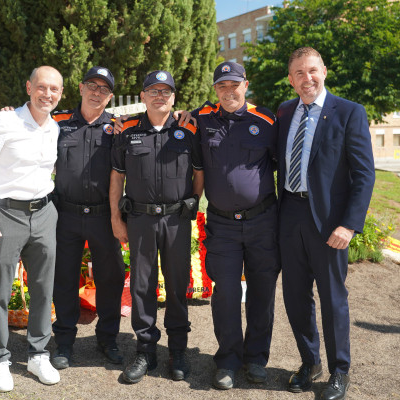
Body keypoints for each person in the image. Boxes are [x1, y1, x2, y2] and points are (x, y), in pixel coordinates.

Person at [275, 47, 375, 400]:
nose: (307, 79)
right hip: (290, 215)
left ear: (325, 71)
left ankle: (339, 372)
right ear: (290, 79)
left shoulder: (349, 112)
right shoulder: (284, 113)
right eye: (299, 73)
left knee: (333, 300)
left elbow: (364, 174)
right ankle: (309, 362)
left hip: (330, 224)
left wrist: (349, 225)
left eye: (313, 70)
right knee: (295, 297)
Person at [183, 62, 281, 390]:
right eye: (222, 86)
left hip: (263, 222)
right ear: (215, 90)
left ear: (246, 85)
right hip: (222, 226)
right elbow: (172, 119)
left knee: (262, 292)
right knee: (224, 293)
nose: (229, 91)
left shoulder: (266, 120)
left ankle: (255, 358)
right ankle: (227, 359)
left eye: (234, 84)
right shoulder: (203, 118)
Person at [0, 66, 64, 392]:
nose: (47, 94)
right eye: (42, 87)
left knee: (43, 287)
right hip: (5, 214)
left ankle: (38, 353)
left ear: (61, 94)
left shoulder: (54, 128)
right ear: (28, 87)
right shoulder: (3, 122)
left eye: (54, 89)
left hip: (44, 213)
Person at [109, 70, 204, 384]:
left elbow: (200, 170)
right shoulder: (128, 129)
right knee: (141, 286)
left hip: (176, 220)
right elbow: (117, 176)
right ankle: (145, 351)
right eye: (153, 91)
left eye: (166, 91)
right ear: (143, 96)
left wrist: (195, 198)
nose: (160, 96)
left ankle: (178, 350)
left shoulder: (189, 128)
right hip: (140, 220)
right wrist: (115, 217)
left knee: (178, 288)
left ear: (174, 97)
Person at [50, 66, 126, 369]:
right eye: (92, 86)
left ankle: (107, 339)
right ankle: (64, 342)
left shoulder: (118, 128)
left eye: (104, 89)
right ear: (81, 88)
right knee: (64, 279)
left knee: (110, 279)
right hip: (65, 214)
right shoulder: (57, 123)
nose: (97, 93)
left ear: (110, 97)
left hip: (103, 216)